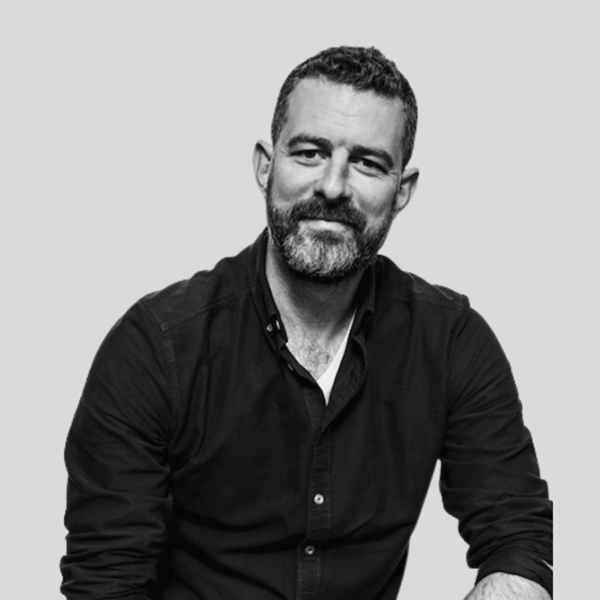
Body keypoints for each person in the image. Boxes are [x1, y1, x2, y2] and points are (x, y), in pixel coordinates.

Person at [61, 46, 553, 599]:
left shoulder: (451, 340)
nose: (334, 186)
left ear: (402, 191)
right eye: (310, 153)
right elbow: (106, 580)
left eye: (368, 163)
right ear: (265, 166)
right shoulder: (157, 347)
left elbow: (518, 539)